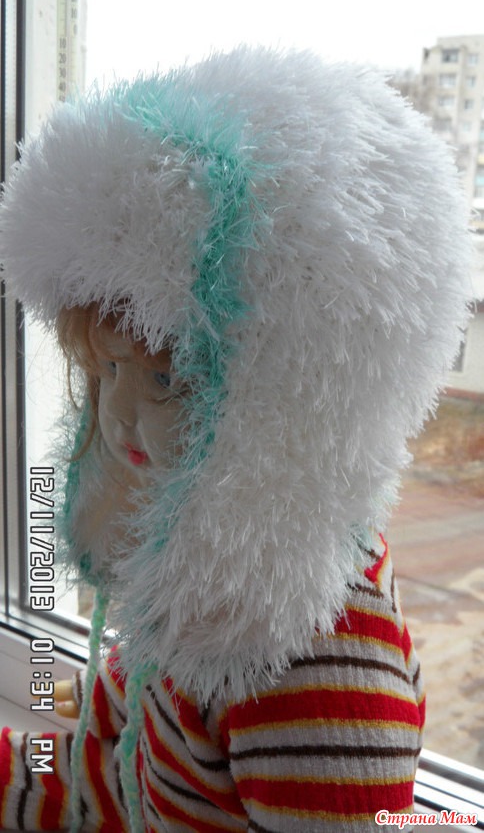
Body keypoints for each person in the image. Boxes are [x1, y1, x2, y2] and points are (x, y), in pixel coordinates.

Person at [0, 46, 472, 831]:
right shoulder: (193, 564)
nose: (118, 414)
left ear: (284, 395)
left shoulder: (317, 663)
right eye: (106, 371)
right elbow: (111, 752)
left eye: (167, 377)